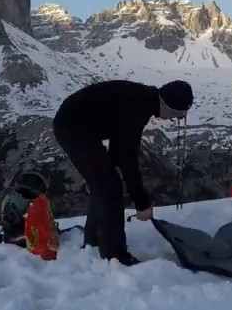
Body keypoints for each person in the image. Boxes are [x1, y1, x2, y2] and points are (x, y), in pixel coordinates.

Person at [52, 78, 194, 265]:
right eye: (177, 115)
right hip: (72, 127)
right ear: (168, 106)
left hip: (75, 124)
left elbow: (118, 146)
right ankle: (115, 255)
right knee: (109, 186)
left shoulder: (142, 99)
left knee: (104, 181)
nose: (174, 119)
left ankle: (94, 240)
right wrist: (142, 202)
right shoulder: (138, 107)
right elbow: (127, 159)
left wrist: (116, 167)